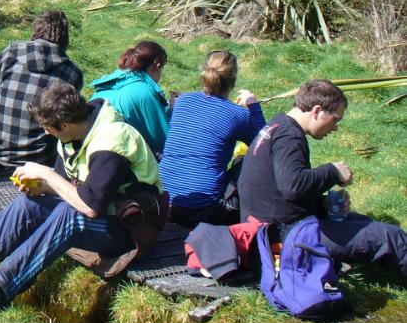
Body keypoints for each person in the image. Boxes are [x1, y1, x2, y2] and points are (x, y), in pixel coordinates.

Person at [0, 81, 162, 307]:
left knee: (70, 214)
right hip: (104, 213)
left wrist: (47, 175)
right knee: (30, 203)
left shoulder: (111, 141)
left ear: (64, 124)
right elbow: (70, 186)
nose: (44, 132)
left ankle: (0, 289)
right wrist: (42, 187)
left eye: (47, 127)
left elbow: (90, 205)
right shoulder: (75, 132)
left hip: (132, 230)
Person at [239, 79, 407, 277]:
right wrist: (333, 171)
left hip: (269, 228)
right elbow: (293, 186)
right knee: (389, 236)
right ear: (317, 110)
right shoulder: (289, 137)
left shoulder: (276, 126)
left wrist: (323, 204)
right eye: (336, 119)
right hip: (281, 238)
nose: (335, 127)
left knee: (364, 223)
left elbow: (279, 191)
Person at [159, 51, 266, 228]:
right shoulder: (239, 115)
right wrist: (253, 105)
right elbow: (266, 141)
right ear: (233, 79)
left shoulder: (182, 101)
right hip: (201, 209)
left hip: (163, 199)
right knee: (246, 161)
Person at [0, 10, 83, 168]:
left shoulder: (11, 52)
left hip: (0, 155)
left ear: (36, 31)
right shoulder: (72, 72)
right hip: (43, 162)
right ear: (64, 38)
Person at [90, 41, 170, 157]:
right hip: (115, 159)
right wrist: (174, 110)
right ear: (157, 66)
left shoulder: (108, 84)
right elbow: (165, 140)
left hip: (89, 151)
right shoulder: (145, 92)